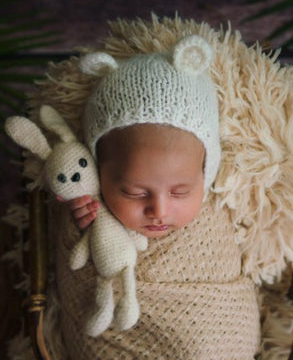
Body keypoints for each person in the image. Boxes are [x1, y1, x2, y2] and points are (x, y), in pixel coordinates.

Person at [61, 34, 221, 239]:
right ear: (97, 170)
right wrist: (81, 229)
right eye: (133, 193)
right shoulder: (93, 212)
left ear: (206, 170)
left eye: (180, 192)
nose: (159, 212)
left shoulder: (220, 217)